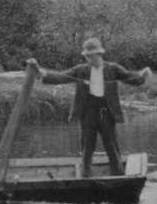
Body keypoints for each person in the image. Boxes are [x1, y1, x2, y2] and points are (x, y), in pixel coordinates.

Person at [37, 38, 151, 177]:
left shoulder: (112, 68)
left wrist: (142, 75)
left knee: (111, 143)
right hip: (88, 110)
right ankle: (86, 176)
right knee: (87, 145)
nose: (90, 59)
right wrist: (44, 74)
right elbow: (62, 77)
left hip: (106, 110)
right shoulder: (80, 70)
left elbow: (129, 77)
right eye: (87, 56)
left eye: (92, 56)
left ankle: (118, 174)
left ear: (99, 54)